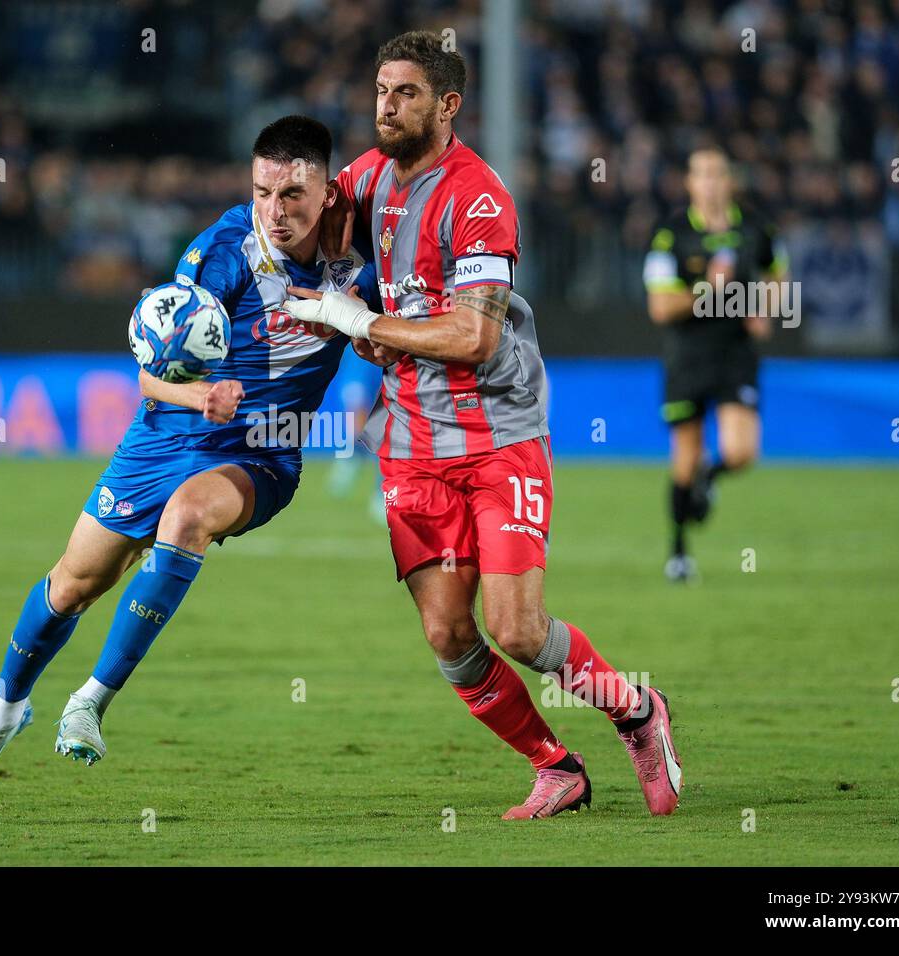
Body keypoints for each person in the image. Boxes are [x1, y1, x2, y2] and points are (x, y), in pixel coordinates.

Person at [288, 31, 682, 818]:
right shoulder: (366, 180)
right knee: (447, 634)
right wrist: (299, 256)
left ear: (447, 105)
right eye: (379, 91)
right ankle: (555, 767)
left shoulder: (478, 197)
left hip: (499, 435)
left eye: (404, 93)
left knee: (517, 627)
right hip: (411, 445)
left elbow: (476, 337)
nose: (386, 106)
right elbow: (306, 228)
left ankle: (635, 710)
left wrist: (356, 318)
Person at [0, 116, 387, 804]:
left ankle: (90, 701)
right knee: (72, 587)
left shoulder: (363, 263)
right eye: (263, 191)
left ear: (327, 191)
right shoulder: (222, 252)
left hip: (261, 452)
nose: (275, 210)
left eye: (292, 194)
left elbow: (389, 344)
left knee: (186, 520)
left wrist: (364, 332)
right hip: (165, 436)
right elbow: (148, 376)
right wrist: (201, 390)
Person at [644, 147, 787, 582]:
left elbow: (778, 276)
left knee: (742, 452)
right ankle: (679, 551)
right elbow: (661, 307)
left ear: (730, 181)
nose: (710, 182)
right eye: (701, 174)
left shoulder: (757, 229)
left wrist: (765, 309)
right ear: (689, 183)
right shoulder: (670, 235)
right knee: (684, 455)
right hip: (688, 356)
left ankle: (713, 472)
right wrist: (710, 290)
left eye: (718, 174)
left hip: (735, 354)